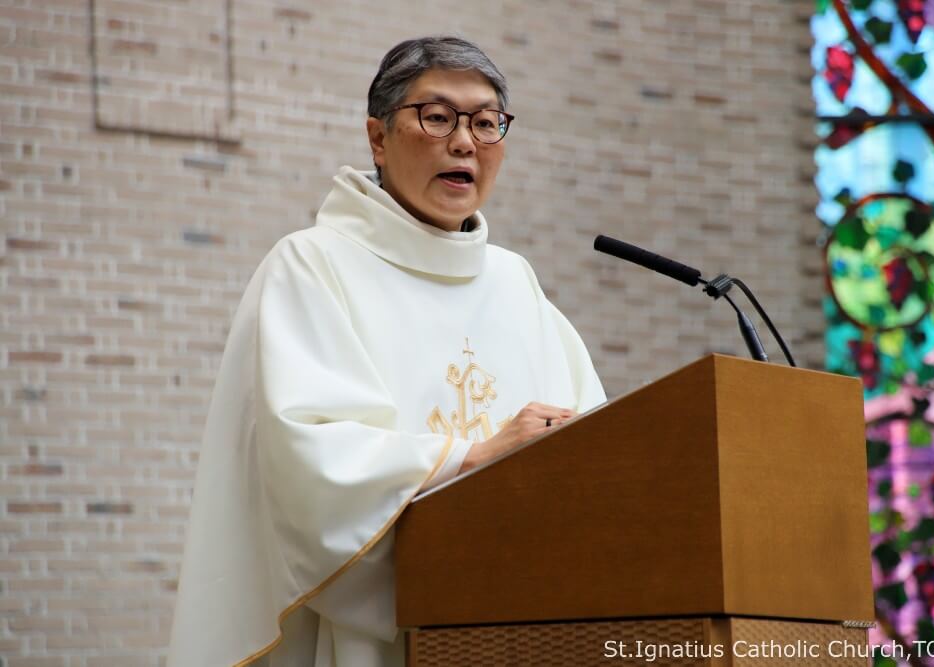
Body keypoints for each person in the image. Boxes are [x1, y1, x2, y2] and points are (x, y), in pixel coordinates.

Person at [166, 36, 606, 667]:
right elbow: (312, 462)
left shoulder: (517, 284)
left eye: (486, 124)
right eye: (438, 117)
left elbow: (603, 448)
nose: (465, 143)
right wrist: (474, 457)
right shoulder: (312, 265)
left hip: (524, 628)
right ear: (377, 139)